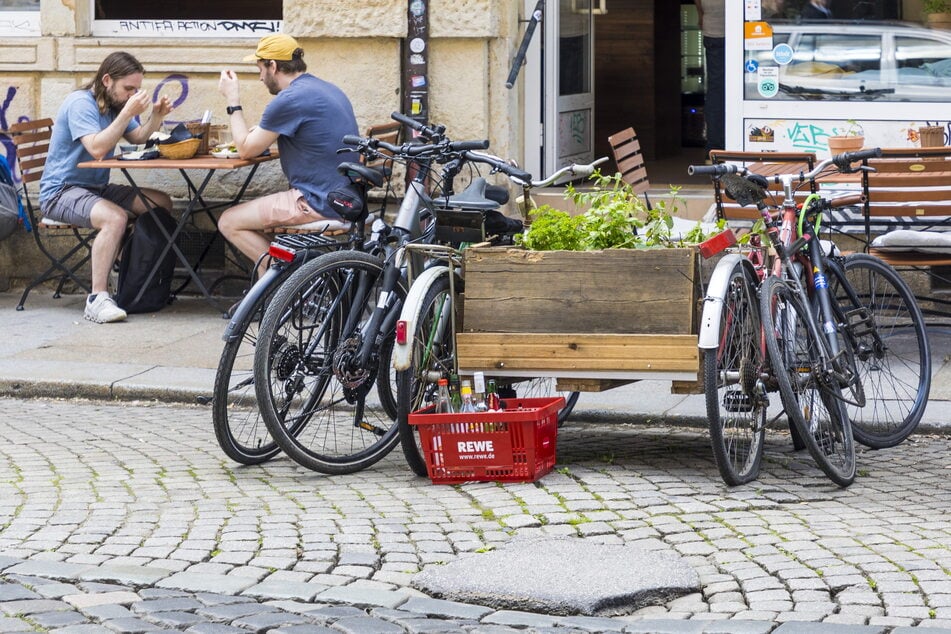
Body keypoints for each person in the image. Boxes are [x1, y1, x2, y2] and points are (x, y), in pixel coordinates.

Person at [40, 51, 173, 324]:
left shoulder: (114, 104)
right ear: (107, 80)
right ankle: (97, 298)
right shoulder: (80, 104)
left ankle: (129, 276)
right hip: (61, 191)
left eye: (136, 89)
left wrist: (156, 117)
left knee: (160, 202)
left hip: (95, 188)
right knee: (115, 217)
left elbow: (136, 136)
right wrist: (127, 111)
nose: (131, 94)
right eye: (128, 88)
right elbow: (98, 148)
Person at [216, 34, 359, 279]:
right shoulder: (326, 88)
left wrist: (233, 101)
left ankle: (277, 283)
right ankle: (272, 289)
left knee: (228, 221)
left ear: (273, 66)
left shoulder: (291, 98)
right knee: (262, 229)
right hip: (344, 197)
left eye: (260, 68)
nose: (260, 77)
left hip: (317, 200)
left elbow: (245, 149)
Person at [695, 0, 725, 157]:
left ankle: (715, 146)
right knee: (735, 91)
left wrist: (702, 15)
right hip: (726, 30)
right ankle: (720, 145)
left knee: (716, 91)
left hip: (712, 29)